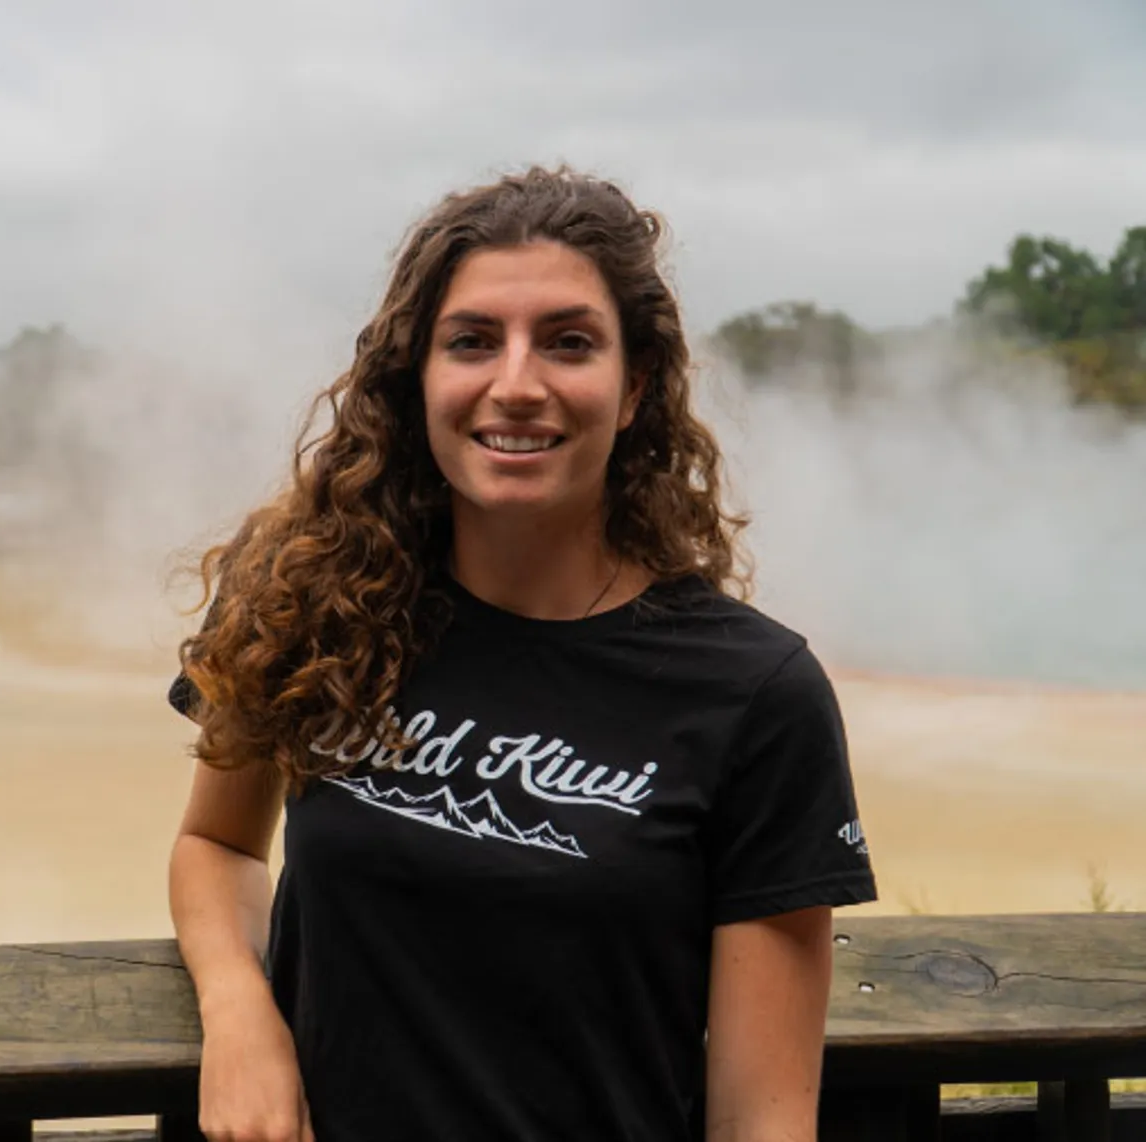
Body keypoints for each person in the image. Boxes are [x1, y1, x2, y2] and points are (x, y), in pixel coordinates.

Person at [165, 166, 877, 1142]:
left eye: (567, 342)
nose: (514, 383)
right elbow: (216, 844)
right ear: (417, 377)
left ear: (633, 390)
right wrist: (239, 1010)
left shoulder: (753, 695)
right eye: (470, 341)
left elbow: (760, 1117)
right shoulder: (306, 601)